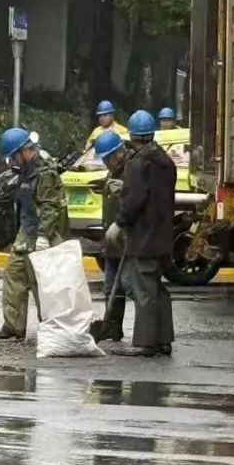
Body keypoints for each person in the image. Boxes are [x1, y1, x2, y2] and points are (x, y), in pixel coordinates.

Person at [106, 109, 176, 356]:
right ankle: (164, 340)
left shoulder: (137, 164)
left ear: (133, 136)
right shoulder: (166, 161)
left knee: (144, 290)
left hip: (144, 237)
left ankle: (145, 343)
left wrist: (120, 222)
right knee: (158, 288)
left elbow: (133, 199)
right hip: (164, 236)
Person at [0, 127, 68, 340]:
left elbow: (50, 206)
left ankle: (51, 327)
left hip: (42, 232)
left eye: (13, 157)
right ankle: (14, 325)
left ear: (24, 152)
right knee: (14, 273)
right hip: (26, 231)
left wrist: (44, 236)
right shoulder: (26, 171)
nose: (13, 162)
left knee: (38, 281)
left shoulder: (45, 173)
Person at [93, 129, 133, 342]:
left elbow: (135, 200)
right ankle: (113, 326)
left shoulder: (131, 171)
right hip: (111, 240)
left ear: (118, 153)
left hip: (125, 238)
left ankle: (121, 325)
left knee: (127, 284)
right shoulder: (113, 172)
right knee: (110, 286)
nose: (106, 163)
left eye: (108, 158)